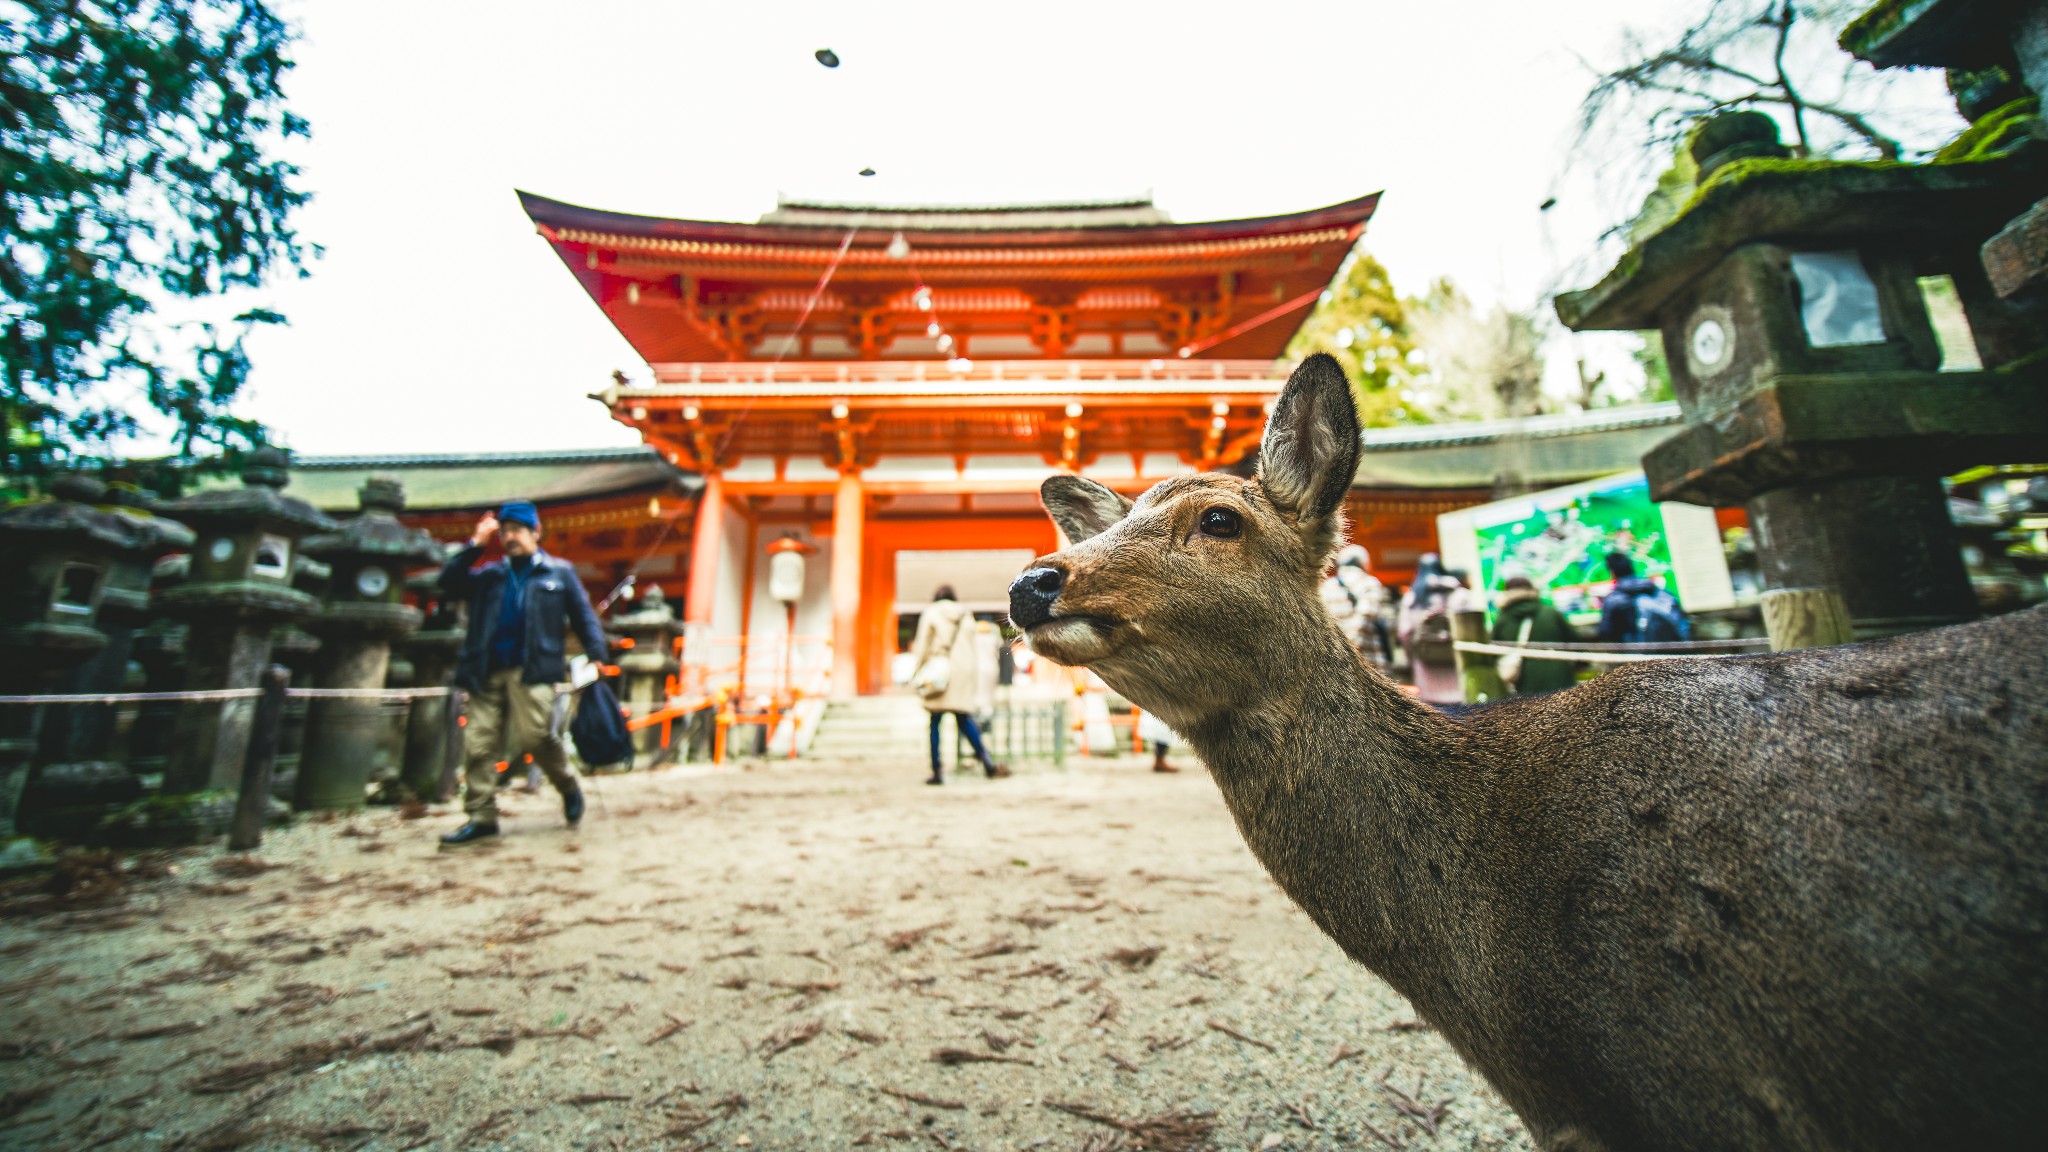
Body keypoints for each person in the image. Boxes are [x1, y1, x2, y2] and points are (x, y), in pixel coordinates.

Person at [436, 501, 609, 847]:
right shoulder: (489, 575)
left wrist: (598, 654)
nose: (510, 537)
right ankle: (481, 816)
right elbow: (448, 583)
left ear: (536, 532)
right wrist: (475, 545)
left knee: (535, 737)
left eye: (516, 530)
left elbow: (583, 616)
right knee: (479, 744)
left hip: (534, 669)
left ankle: (567, 784)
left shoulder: (559, 574)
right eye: (504, 531)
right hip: (486, 669)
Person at [908, 586, 1009, 785]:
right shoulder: (965, 615)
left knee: (935, 722)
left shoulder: (932, 613)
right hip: (962, 672)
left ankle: (937, 771)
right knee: (963, 719)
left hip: (939, 672)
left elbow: (923, 645)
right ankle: (987, 761)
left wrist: (917, 670)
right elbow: (972, 648)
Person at [1396, 553, 1472, 705]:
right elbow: (1471, 630)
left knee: (1435, 713)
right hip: (1457, 666)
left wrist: (1414, 658)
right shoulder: (1459, 594)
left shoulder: (1411, 599)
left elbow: (1404, 633)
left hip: (1425, 668)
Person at [1491, 576, 1578, 695]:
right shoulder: (1551, 613)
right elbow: (1574, 641)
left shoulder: (1502, 620)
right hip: (1560, 677)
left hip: (1525, 682)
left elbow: (1494, 653)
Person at [1598, 552, 1692, 645]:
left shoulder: (1613, 600)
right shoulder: (1659, 591)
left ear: (1612, 572)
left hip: (1640, 654)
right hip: (1672, 648)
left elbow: (1606, 632)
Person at [1319, 544, 1387, 661]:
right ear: (1363, 563)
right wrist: (1350, 650)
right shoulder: (1369, 583)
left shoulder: (1326, 587)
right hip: (1365, 661)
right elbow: (1365, 618)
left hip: (1335, 660)